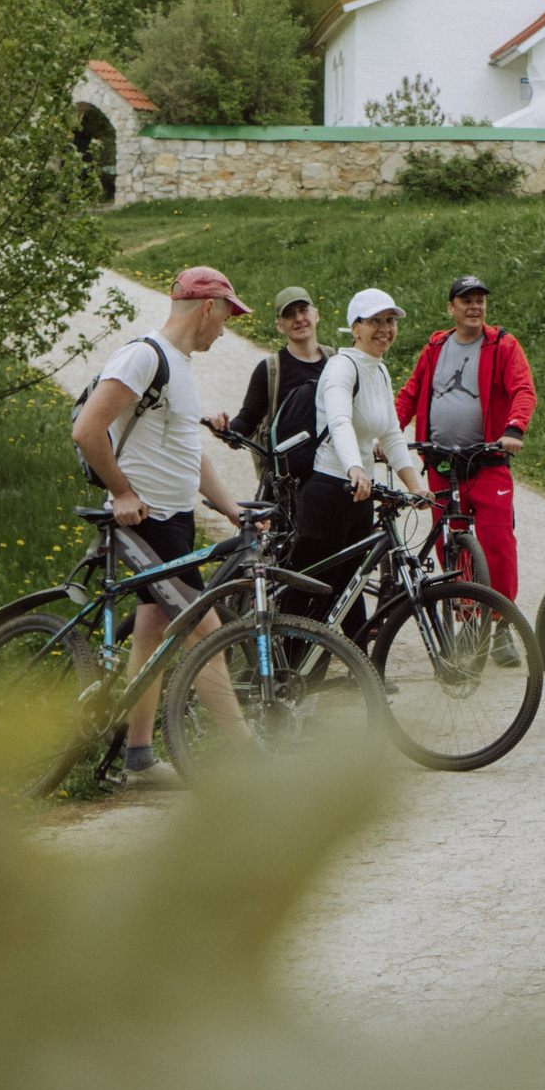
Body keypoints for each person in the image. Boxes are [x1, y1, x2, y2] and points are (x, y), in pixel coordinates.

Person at [71, 266, 254, 784]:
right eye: (227, 316)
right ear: (207, 308)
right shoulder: (143, 356)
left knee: (152, 634)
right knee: (205, 629)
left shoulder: (182, 366)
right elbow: (89, 431)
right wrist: (123, 492)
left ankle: (139, 757)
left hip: (174, 524)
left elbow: (189, 456)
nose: (226, 328)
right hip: (141, 521)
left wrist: (230, 509)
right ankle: (251, 758)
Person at [396, 274, 536, 665]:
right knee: (449, 544)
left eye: (480, 300)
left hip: (487, 460)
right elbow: (410, 392)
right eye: (466, 300)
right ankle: (469, 618)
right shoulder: (436, 346)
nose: (474, 307)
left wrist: (513, 429)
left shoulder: (502, 344)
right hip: (441, 462)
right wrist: (389, 430)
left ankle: (502, 623)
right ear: (451, 308)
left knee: (497, 544)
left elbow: (523, 389)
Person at [287, 289, 427, 627]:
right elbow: (339, 422)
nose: (385, 328)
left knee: (350, 589)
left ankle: (359, 672)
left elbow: (391, 433)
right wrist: (355, 469)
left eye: (390, 321)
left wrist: (417, 486)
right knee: (312, 593)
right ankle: (284, 670)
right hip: (329, 491)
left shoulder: (378, 371)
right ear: (355, 327)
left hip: (360, 494)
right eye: (375, 321)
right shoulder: (341, 367)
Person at [215, 286, 331, 493]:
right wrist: (226, 430)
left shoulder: (336, 362)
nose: (298, 318)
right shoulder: (270, 370)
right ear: (279, 326)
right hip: (287, 482)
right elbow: (247, 421)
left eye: (303, 310)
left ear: (316, 315)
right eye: (289, 314)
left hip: (331, 476)